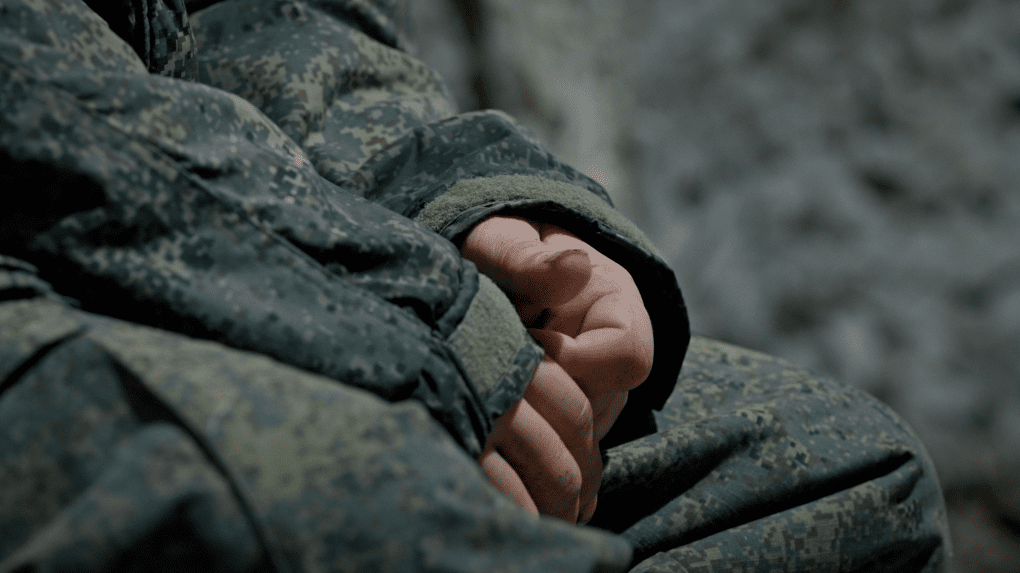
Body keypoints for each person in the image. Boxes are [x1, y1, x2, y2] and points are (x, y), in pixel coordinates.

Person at [0, 0, 952, 570]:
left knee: (844, 481)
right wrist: (398, 303)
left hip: (253, 247)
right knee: (389, 522)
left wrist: (458, 207)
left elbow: (276, 18)